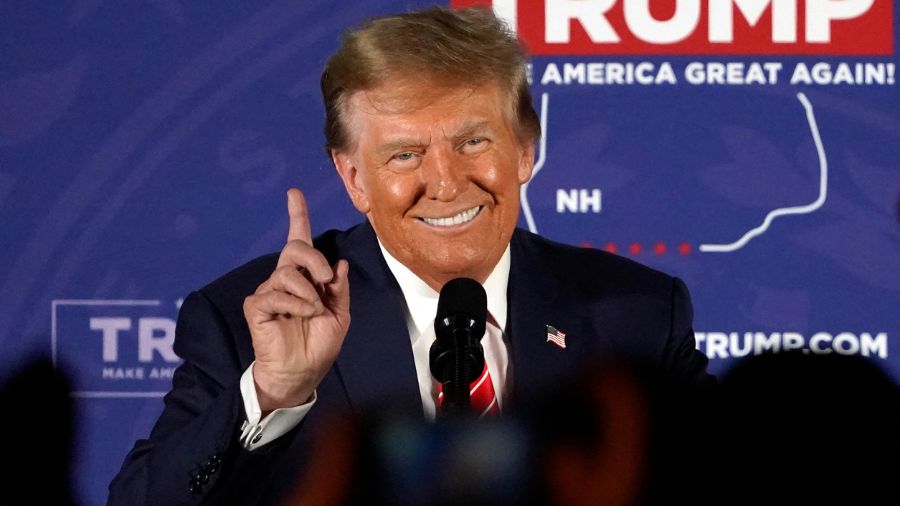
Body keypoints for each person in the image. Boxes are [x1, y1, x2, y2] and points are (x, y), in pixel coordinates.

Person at [108, 7, 713, 505]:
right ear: (353, 179)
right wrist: (272, 393)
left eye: (473, 142)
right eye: (404, 155)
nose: (446, 183)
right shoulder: (249, 323)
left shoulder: (636, 315)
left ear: (526, 150)